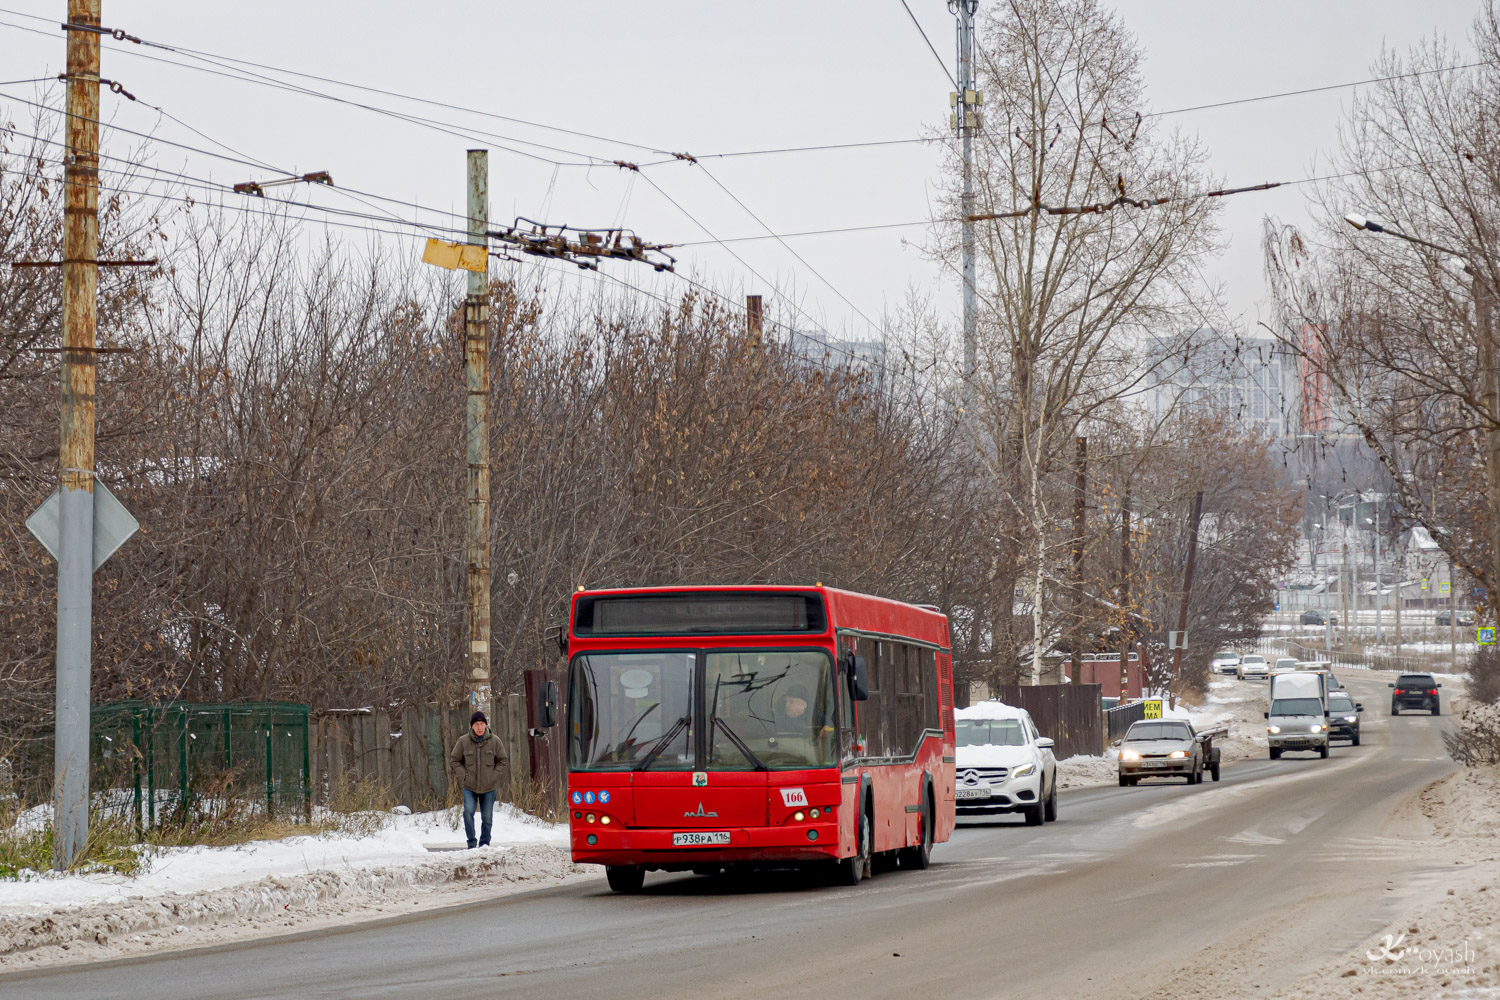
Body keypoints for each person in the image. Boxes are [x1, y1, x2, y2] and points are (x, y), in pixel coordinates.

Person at [450, 710, 506, 848]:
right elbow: (454, 760)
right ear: (472, 726)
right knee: (468, 812)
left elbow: (503, 760)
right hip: (470, 786)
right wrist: (464, 775)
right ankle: (471, 842)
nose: (480, 727)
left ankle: (484, 844)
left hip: (489, 787)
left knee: (487, 818)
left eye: (482, 724)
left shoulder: (495, 741)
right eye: (477, 724)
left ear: (486, 725)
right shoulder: (463, 741)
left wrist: (494, 776)